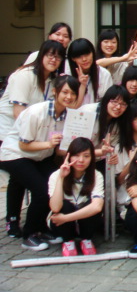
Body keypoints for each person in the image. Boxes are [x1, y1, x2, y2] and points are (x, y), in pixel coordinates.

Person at [0, 76, 80, 251]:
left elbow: (60, 148)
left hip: (40, 156)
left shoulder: (68, 116)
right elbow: (24, 144)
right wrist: (49, 144)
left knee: (55, 184)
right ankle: (29, 234)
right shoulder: (36, 112)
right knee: (41, 191)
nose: (69, 97)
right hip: (16, 154)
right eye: (65, 92)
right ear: (55, 92)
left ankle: (42, 228)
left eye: (73, 93)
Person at [0, 40, 65, 237]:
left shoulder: (52, 80)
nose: (54, 59)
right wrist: (38, 139)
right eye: (50, 55)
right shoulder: (25, 76)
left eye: (58, 56)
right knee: (23, 179)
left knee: (31, 180)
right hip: (13, 133)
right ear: (41, 56)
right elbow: (19, 112)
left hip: (36, 140)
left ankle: (37, 225)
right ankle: (14, 222)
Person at [48, 138, 103, 256]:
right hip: (61, 223)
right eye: (76, 155)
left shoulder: (96, 175)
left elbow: (97, 207)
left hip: (76, 220)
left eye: (86, 156)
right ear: (69, 156)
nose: (81, 160)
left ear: (92, 158)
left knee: (92, 205)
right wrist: (61, 178)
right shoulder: (56, 175)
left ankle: (86, 239)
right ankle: (68, 241)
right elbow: (55, 208)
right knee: (65, 205)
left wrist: (65, 218)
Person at [68, 38, 113, 105]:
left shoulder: (104, 74)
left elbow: (108, 101)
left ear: (93, 53)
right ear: (73, 59)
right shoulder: (67, 76)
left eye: (87, 54)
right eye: (79, 57)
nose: (84, 59)